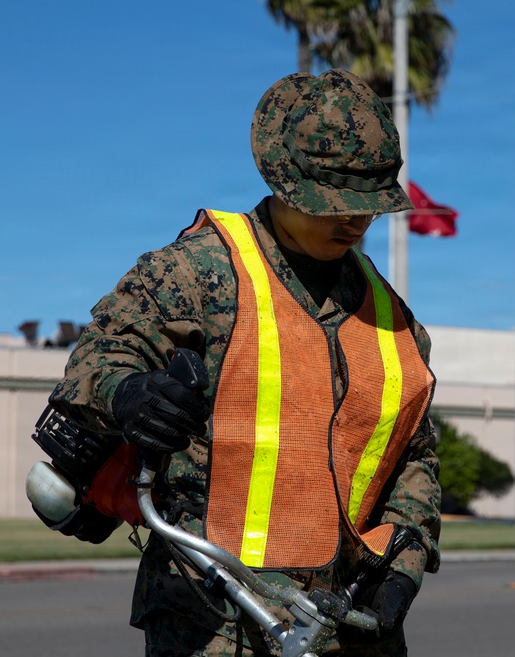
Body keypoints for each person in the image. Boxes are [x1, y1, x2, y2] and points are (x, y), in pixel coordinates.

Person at [48, 69, 441, 657]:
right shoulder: (196, 272)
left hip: (349, 622)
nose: (355, 221)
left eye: (369, 205)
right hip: (213, 619)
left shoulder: (393, 318)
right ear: (284, 182)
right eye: (335, 202)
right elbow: (94, 365)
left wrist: (403, 565)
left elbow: (413, 455)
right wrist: (130, 395)